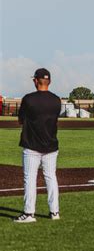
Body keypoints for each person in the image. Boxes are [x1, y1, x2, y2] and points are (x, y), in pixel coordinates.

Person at [14, 68, 62, 223]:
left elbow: (20, 120)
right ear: (50, 81)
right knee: (51, 178)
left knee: (30, 179)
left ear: (36, 80)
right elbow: (55, 121)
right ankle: (54, 212)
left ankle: (29, 214)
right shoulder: (56, 100)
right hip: (51, 145)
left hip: (32, 145)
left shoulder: (28, 99)